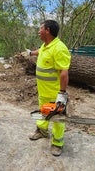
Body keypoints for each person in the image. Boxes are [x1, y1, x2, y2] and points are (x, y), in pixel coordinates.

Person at [27, 20, 71, 156]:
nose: (38, 31)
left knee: (58, 118)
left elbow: (64, 72)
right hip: (43, 91)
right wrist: (30, 53)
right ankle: (42, 131)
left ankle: (57, 143)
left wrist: (62, 94)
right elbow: (41, 51)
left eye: (40, 29)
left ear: (47, 31)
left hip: (55, 93)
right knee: (43, 112)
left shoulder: (59, 48)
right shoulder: (46, 45)